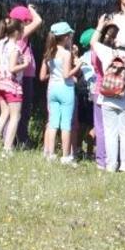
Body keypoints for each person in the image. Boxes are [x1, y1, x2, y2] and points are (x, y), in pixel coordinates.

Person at [91, 22, 125, 172]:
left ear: (117, 40)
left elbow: (93, 42)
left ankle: (111, 164)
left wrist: (100, 26)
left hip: (107, 99)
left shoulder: (108, 53)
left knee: (110, 132)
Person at [0, 17, 31, 155]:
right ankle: (7, 148)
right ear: (17, 32)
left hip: (1, 82)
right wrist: (25, 64)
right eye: (22, 31)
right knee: (15, 116)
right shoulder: (16, 47)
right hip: (12, 84)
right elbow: (12, 68)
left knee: (4, 114)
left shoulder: (0, 44)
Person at [40, 21, 82, 164]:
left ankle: (50, 154)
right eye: (69, 35)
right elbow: (66, 74)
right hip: (65, 89)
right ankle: (65, 156)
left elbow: (44, 75)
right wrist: (79, 65)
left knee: (52, 123)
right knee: (66, 124)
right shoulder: (66, 54)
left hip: (52, 88)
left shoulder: (48, 53)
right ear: (65, 37)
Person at [8, 4, 42, 149]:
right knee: (23, 110)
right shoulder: (20, 34)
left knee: (15, 110)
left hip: (22, 76)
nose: (29, 22)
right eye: (27, 20)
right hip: (24, 77)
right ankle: (20, 140)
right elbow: (39, 21)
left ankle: (13, 139)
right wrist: (32, 8)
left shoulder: (11, 35)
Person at [73, 27, 97, 161]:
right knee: (93, 123)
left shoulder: (83, 57)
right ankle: (89, 151)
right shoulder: (98, 54)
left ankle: (77, 148)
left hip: (82, 91)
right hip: (93, 92)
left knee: (82, 122)